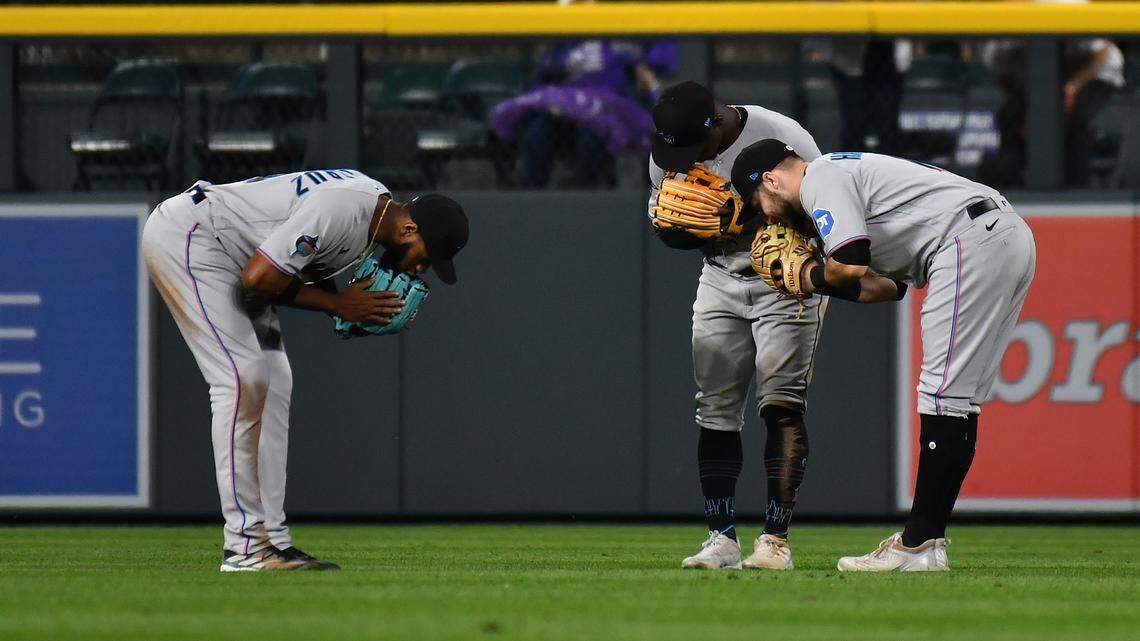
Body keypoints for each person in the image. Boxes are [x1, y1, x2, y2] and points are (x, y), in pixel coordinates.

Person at [141, 170, 469, 571]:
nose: (421, 269)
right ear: (409, 227)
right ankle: (245, 548)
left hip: (232, 252)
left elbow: (279, 275)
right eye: (427, 256)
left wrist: (344, 305)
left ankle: (273, 540)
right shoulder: (345, 208)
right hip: (192, 236)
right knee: (242, 380)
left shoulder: (374, 217)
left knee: (276, 381)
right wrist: (338, 305)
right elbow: (260, 279)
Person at [731, 140, 1035, 571]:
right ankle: (925, 541)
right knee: (957, 401)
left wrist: (808, 274)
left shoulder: (821, 177)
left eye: (758, 201)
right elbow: (886, 288)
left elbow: (851, 264)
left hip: (969, 241)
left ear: (771, 179)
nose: (763, 214)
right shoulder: (836, 183)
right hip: (1000, 236)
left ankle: (918, 546)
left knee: (942, 396)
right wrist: (815, 279)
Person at [648, 81, 825, 571]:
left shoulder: (781, 134)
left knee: (781, 402)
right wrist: (683, 229)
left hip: (784, 277)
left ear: (718, 124)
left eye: (690, 148)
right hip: (720, 276)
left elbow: (824, 213)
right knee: (716, 408)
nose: (680, 159)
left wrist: (742, 218)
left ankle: (775, 541)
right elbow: (668, 223)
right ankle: (720, 537)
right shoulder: (668, 154)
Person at [490, 32, 676, 188]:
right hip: (568, 107)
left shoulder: (636, 16)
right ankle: (529, 202)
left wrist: (640, 67)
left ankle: (587, 198)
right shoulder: (577, 20)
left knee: (592, 137)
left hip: (615, 109)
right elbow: (546, 72)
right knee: (537, 133)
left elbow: (660, 64)